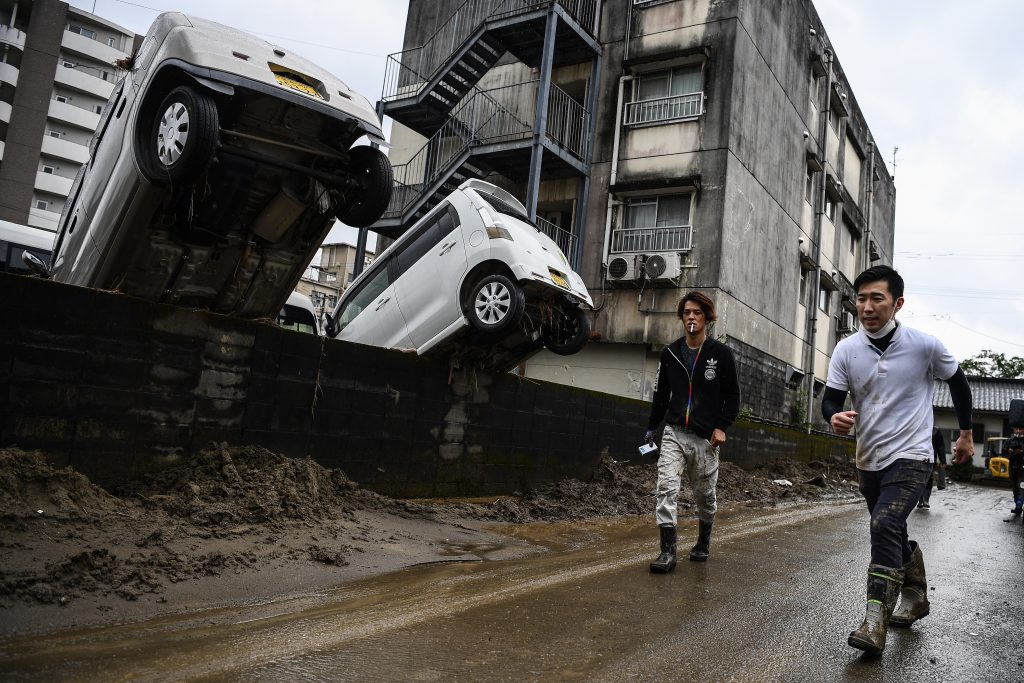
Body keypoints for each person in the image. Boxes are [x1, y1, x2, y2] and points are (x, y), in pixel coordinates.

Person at [822, 265, 973, 656]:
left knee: (884, 523)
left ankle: (875, 621)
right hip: (869, 457)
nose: (867, 306)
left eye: (877, 298)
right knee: (892, 531)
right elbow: (831, 399)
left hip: (913, 456)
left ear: (897, 303)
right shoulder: (846, 349)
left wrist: (966, 433)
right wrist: (832, 416)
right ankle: (917, 593)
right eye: (861, 298)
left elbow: (958, 381)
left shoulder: (924, 345)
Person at [644, 291, 741, 573]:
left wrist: (722, 427)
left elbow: (732, 396)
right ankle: (667, 552)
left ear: (707, 318)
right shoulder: (670, 352)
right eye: (687, 312)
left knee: (704, 495)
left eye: (697, 312)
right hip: (674, 431)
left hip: (705, 437)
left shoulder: (720, 355)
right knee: (666, 488)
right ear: (681, 317)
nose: (691, 317)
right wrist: (652, 428)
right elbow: (661, 395)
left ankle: (703, 542)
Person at [917, 428, 948, 509]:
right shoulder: (917, 426)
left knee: (928, 479)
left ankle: (926, 500)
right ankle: (920, 500)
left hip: (930, 458)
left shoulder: (936, 431)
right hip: (917, 456)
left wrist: (943, 461)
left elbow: (940, 446)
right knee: (919, 479)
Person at [1006, 426, 1024, 516]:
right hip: (1012, 467)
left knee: (1021, 485)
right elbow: (1004, 452)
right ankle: (1018, 506)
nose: (1018, 431)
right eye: (1016, 429)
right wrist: (1010, 451)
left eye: (1020, 429)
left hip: (1023, 468)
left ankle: (1020, 503)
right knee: (1015, 487)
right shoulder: (1010, 440)